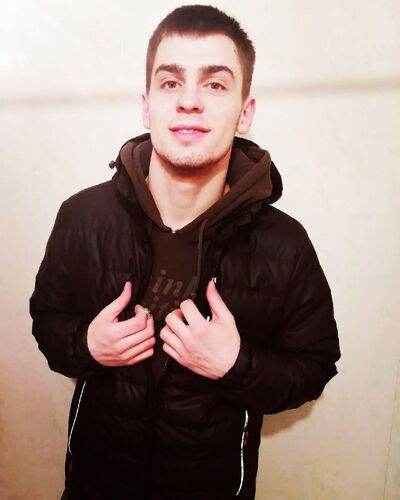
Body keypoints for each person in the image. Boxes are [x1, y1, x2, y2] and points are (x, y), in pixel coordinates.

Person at [30, 5, 340, 500]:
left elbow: (315, 366)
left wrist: (236, 364)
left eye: (215, 84)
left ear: (245, 112)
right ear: (147, 105)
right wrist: (87, 346)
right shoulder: (82, 216)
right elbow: (47, 321)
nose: (190, 101)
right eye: (171, 82)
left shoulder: (285, 246)